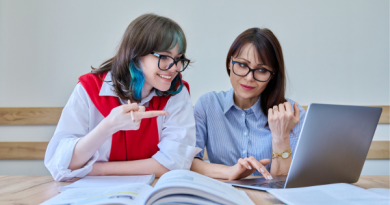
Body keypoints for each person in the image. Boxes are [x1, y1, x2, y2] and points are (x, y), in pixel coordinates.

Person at [44, 14, 200, 182]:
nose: (174, 67)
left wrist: (96, 170)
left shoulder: (177, 93)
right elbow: (60, 163)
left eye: (178, 59)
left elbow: (174, 164)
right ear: (136, 53)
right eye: (164, 57)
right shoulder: (89, 89)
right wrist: (108, 126)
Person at [191, 28, 306, 180]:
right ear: (229, 64)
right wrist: (231, 171)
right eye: (243, 65)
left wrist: (280, 137)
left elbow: (285, 182)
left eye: (261, 70)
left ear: (272, 75)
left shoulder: (289, 113)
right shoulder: (208, 105)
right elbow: (190, 162)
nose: (249, 77)